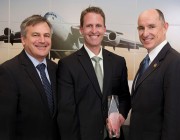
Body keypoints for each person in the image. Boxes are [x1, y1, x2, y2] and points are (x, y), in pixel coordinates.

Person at [57, 6, 131, 140]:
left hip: (113, 136)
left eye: (98, 26)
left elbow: (124, 97)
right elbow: (66, 113)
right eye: (89, 26)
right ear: (81, 29)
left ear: (104, 29)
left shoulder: (118, 62)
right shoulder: (67, 65)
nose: (94, 30)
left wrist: (121, 115)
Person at [0, 15, 58, 140]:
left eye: (47, 35)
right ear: (23, 39)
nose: (42, 40)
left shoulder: (56, 69)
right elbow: (5, 126)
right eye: (36, 35)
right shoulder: (8, 71)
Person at [129, 9, 180, 140]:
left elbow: (174, 119)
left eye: (151, 26)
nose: (145, 33)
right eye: (141, 28)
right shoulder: (146, 62)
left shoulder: (175, 62)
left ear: (165, 27)